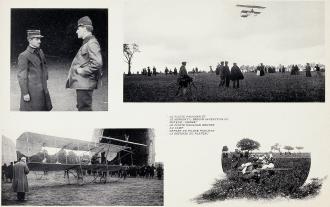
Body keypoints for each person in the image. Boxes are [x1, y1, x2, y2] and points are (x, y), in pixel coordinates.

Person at [66, 16, 103, 111]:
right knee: (82, 107)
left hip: (85, 83)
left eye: (78, 29)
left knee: (84, 109)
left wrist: (83, 70)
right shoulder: (87, 42)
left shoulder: (92, 43)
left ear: (84, 28)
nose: (76, 31)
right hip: (83, 83)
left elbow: (97, 63)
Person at [17, 30, 52, 111]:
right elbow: (22, 76)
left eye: (40, 39)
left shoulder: (40, 51)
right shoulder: (24, 55)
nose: (39, 41)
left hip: (43, 89)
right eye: (36, 39)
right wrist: (25, 93)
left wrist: (45, 78)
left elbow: (44, 66)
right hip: (32, 92)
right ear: (29, 40)